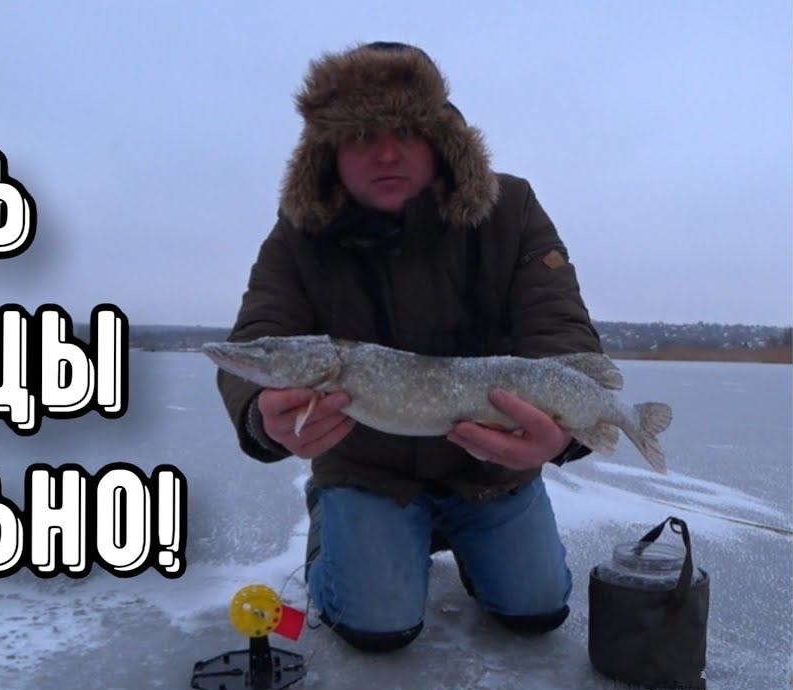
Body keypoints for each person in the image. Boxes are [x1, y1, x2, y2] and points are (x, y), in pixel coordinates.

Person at [216, 42, 603, 653]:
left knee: (536, 606)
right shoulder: (299, 234)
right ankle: (336, 533)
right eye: (361, 134)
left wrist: (564, 433)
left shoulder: (512, 210)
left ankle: (470, 543)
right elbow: (257, 339)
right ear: (329, 151)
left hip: (491, 470)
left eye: (407, 131)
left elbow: (559, 331)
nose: (387, 153)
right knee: (376, 626)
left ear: (442, 142)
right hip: (367, 468)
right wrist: (259, 415)